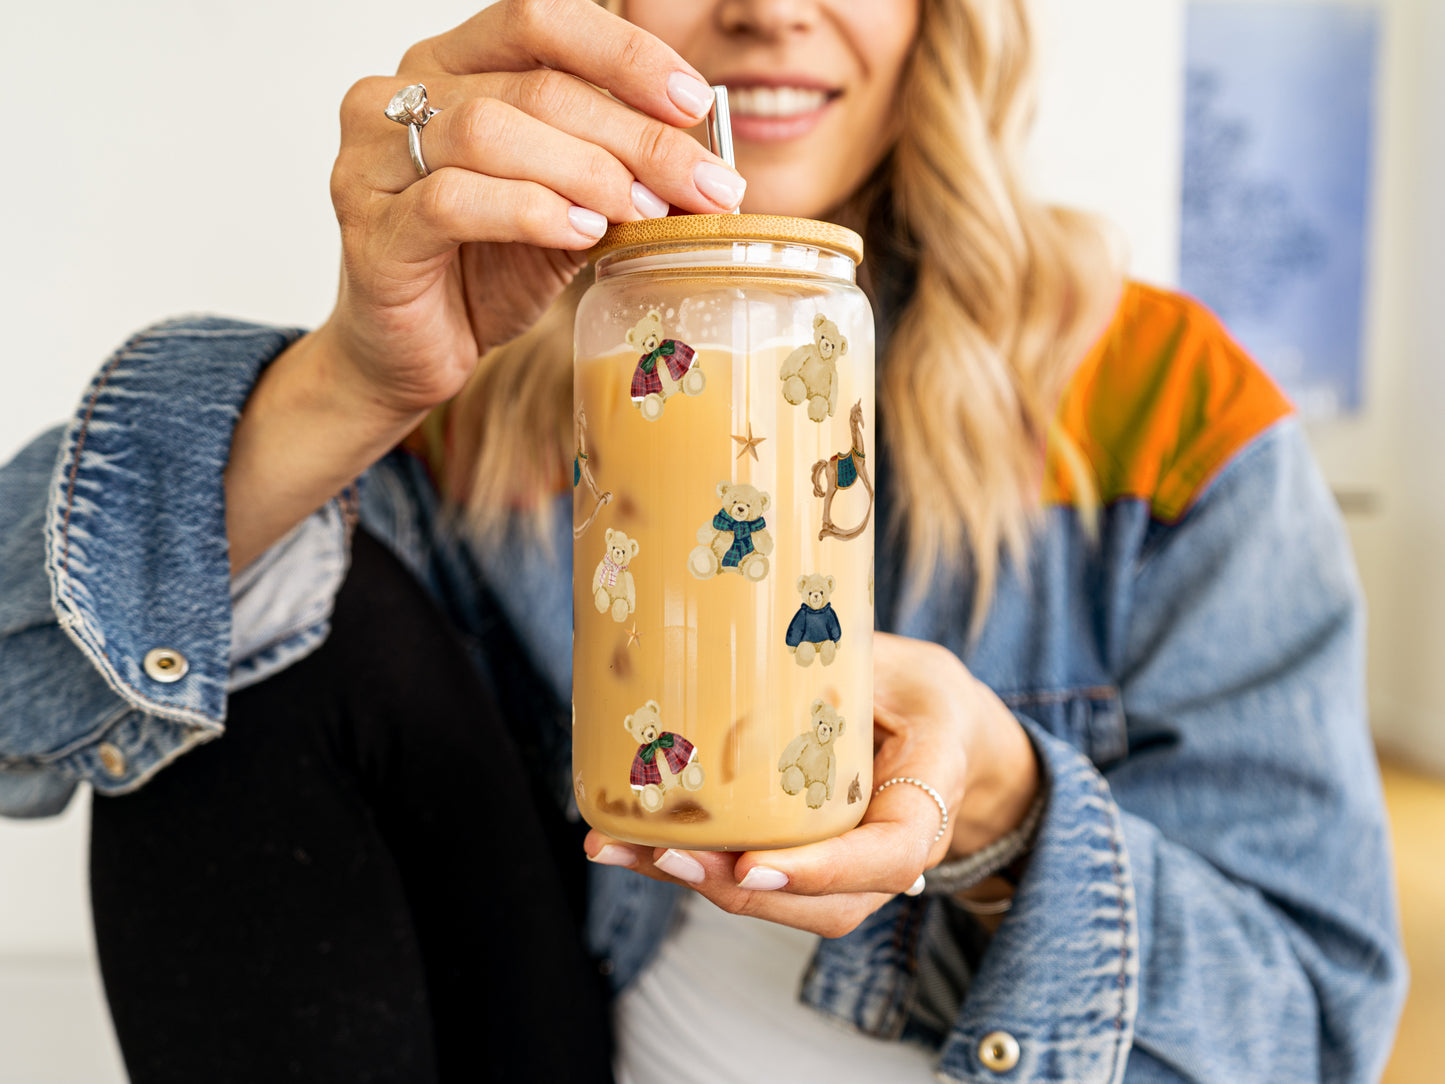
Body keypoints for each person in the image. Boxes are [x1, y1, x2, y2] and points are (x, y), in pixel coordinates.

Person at [0, 0, 1407, 1081]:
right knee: (235, 612)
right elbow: (21, 722)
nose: (768, 8)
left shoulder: (1167, 414)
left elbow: (1313, 1028)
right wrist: (350, 384)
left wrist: (1000, 815)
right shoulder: (466, 402)